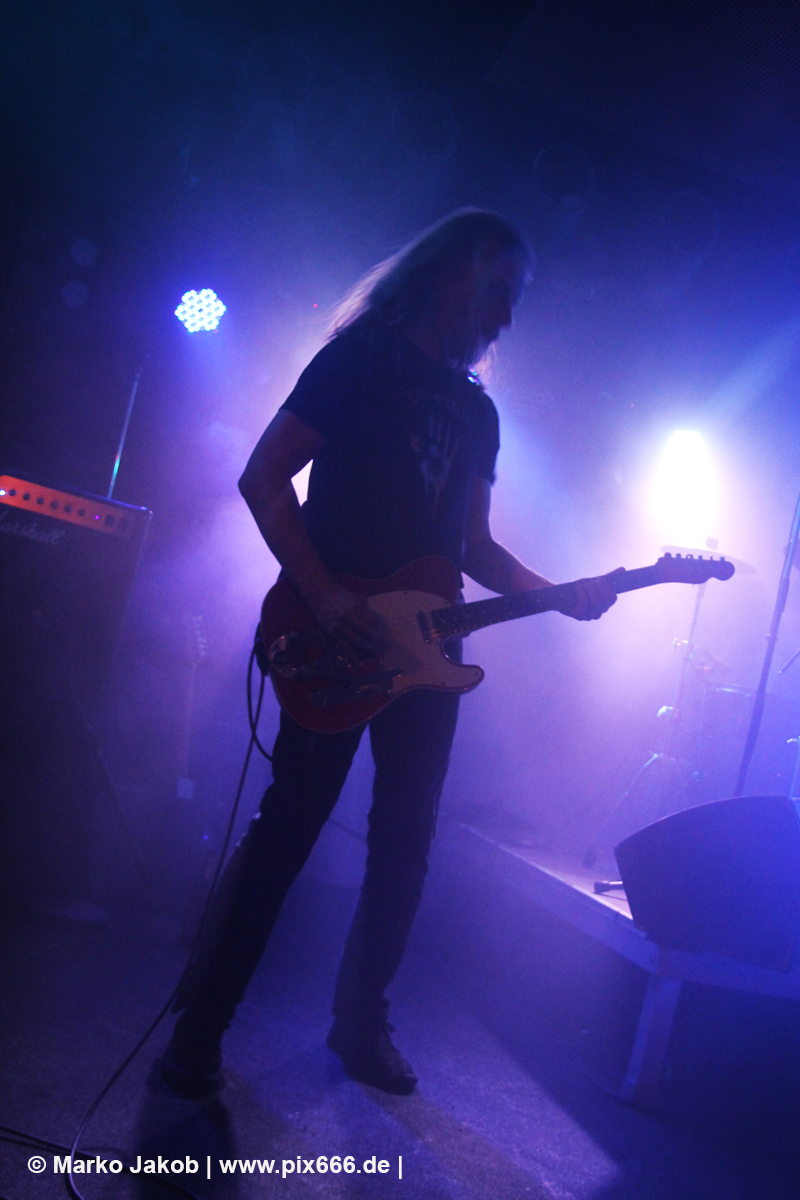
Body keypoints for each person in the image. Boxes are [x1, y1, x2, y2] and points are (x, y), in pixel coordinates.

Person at [160, 209, 617, 1098]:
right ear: (453, 273)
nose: (507, 317)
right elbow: (263, 476)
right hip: (337, 633)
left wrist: (559, 593)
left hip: (430, 655)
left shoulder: (477, 413)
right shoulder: (359, 360)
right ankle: (200, 1028)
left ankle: (359, 1024)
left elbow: (473, 547)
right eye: (501, 291)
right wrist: (326, 597)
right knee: (288, 829)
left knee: (405, 847)